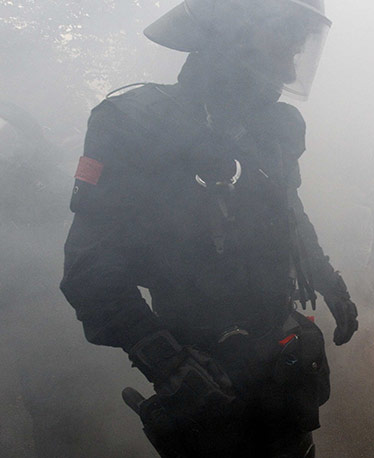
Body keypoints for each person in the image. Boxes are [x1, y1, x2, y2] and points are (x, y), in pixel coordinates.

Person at [59, 1, 358, 456]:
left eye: (299, 48)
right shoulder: (136, 122)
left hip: (283, 371)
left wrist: (326, 279)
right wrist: (167, 363)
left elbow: (288, 211)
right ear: (230, 35)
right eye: (283, 42)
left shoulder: (273, 128)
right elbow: (89, 269)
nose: (292, 62)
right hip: (204, 380)